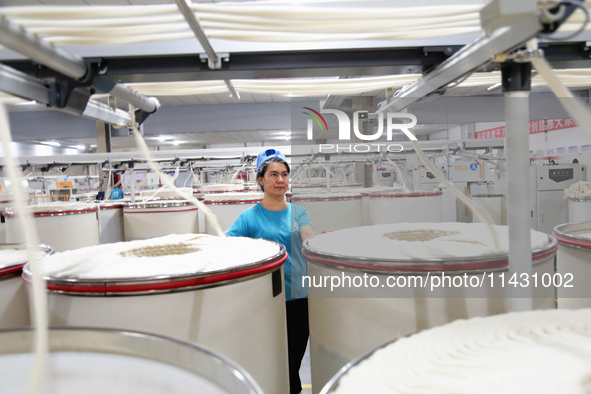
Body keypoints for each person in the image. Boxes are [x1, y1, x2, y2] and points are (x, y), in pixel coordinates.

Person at [226, 148, 317, 394]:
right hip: (266, 301)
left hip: (299, 298)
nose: (280, 180)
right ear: (261, 180)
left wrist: (320, 241)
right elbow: (226, 246)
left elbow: (308, 234)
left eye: (285, 174)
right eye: (274, 174)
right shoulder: (249, 218)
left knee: (293, 362)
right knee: (274, 361)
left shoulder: (299, 212)